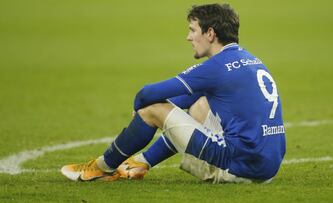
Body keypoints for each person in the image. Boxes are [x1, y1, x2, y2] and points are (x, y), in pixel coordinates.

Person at [61, 3, 286, 183]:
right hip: (267, 167)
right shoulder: (249, 60)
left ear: (210, 33)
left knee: (153, 110)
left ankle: (102, 167)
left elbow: (146, 94)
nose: (188, 38)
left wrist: (141, 109)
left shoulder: (216, 67)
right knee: (199, 104)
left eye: (192, 30)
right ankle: (141, 163)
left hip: (240, 167)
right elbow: (186, 98)